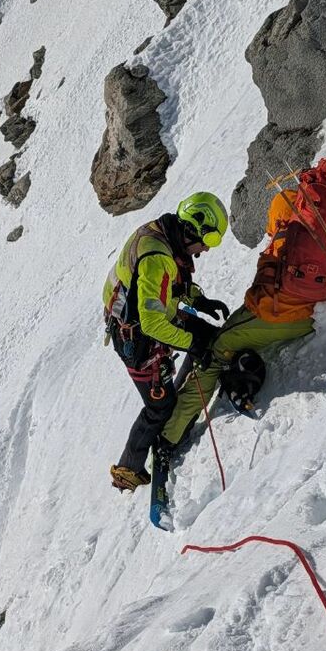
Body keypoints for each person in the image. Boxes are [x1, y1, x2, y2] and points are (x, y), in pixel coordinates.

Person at [160, 139, 326, 447]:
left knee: (218, 346)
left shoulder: (289, 199)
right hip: (325, 305)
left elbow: (276, 237)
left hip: (280, 309)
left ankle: (169, 436)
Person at [104, 192, 231, 491]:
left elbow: (168, 287)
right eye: (209, 240)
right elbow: (152, 324)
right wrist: (191, 343)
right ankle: (128, 470)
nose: (206, 249)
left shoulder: (165, 235)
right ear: (192, 230)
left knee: (203, 336)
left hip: (147, 318)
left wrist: (199, 301)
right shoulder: (156, 257)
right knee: (159, 406)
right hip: (135, 338)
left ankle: (190, 373)